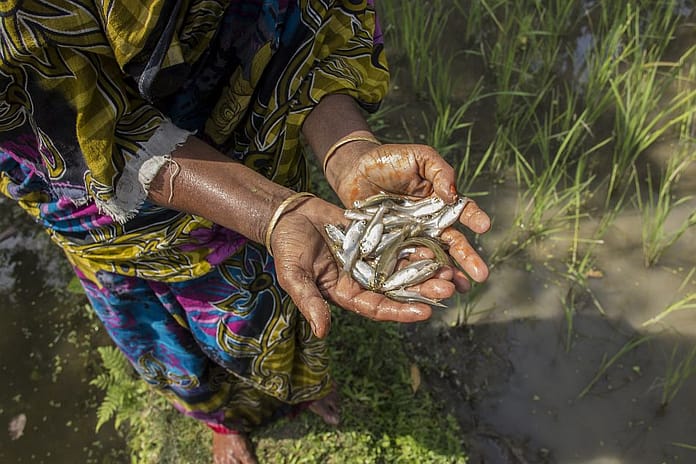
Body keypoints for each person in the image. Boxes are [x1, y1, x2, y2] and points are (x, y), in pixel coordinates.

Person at [0, 1, 490, 462]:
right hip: (92, 199)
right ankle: (219, 419)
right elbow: (78, 127)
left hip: (254, 148)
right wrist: (272, 213)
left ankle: (294, 394)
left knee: (262, 307)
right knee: (152, 321)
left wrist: (347, 148)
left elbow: (306, 16)